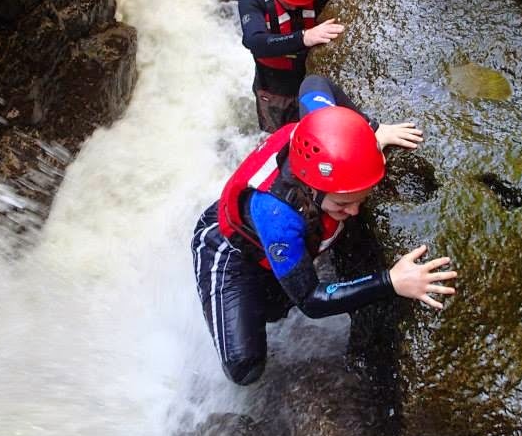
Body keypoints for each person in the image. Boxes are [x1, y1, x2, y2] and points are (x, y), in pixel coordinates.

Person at [191, 75, 457, 385]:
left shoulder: (318, 126)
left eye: (361, 199)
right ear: (312, 189)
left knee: (278, 307)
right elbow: (312, 301)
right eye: (344, 202)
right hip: (229, 250)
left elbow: (314, 83)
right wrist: (390, 281)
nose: (354, 211)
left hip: (273, 242)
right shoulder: (278, 214)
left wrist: (371, 130)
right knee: (245, 366)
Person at [238, 0, 345, 133]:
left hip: (309, 75)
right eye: (289, 3)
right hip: (274, 83)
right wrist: (303, 37)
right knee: (280, 134)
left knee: (317, 129)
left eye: (301, 4)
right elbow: (254, 42)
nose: (295, 8)